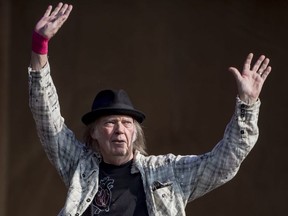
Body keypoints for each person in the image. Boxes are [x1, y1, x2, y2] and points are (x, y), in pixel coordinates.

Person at [28, 3, 272, 216]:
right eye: (110, 122)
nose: (119, 130)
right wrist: (40, 47)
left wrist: (247, 105)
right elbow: (47, 120)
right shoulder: (80, 167)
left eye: (126, 122)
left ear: (135, 132)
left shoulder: (167, 172)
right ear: (94, 133)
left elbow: (223, 162)